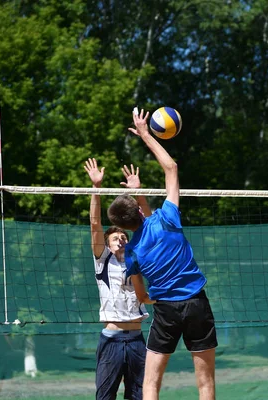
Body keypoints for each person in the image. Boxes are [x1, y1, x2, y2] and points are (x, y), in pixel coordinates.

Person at [106, 109, 217, 400]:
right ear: (140, 211)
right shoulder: (167, 218)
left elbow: (142, 297)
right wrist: (145, 134)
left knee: (151, 383)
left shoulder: (132, 251)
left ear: (121, 226)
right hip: (196, 303)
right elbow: (171, 168)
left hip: (166, 309)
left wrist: (154, 298)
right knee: (205, 384)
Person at [84, 158, 155, 400]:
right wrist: (96, 188)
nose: (121, 239)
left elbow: (150, 225)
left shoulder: (137, 257)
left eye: (123, 236)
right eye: (115, 238)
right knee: (105, 396)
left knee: (139, 396)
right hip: (111, 340)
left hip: (136, 340)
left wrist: (137, 192)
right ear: (107, 244)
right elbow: (95, 223)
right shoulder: (103, 260)